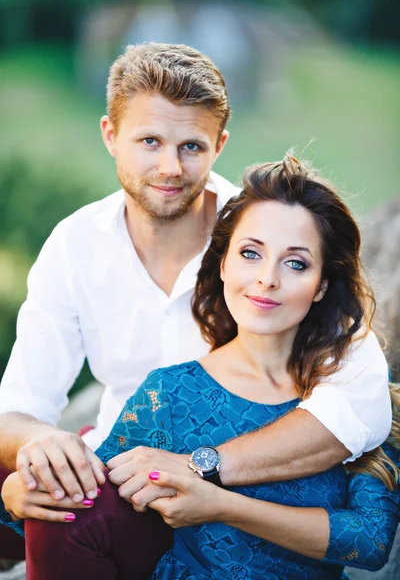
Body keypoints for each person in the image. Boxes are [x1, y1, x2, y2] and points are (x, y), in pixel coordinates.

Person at [0, 44, 391, 561]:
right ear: (110, 136)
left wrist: (202, 465)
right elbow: (19, 408)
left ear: (219, 146)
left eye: (191, 146)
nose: (170, 166)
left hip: (237, 480)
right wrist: (30, 458)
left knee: (69, 512)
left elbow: (359, 402)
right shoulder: (75, 245)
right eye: (149, 141)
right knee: (39, 488)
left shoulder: (266, 239)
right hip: (124, 464)